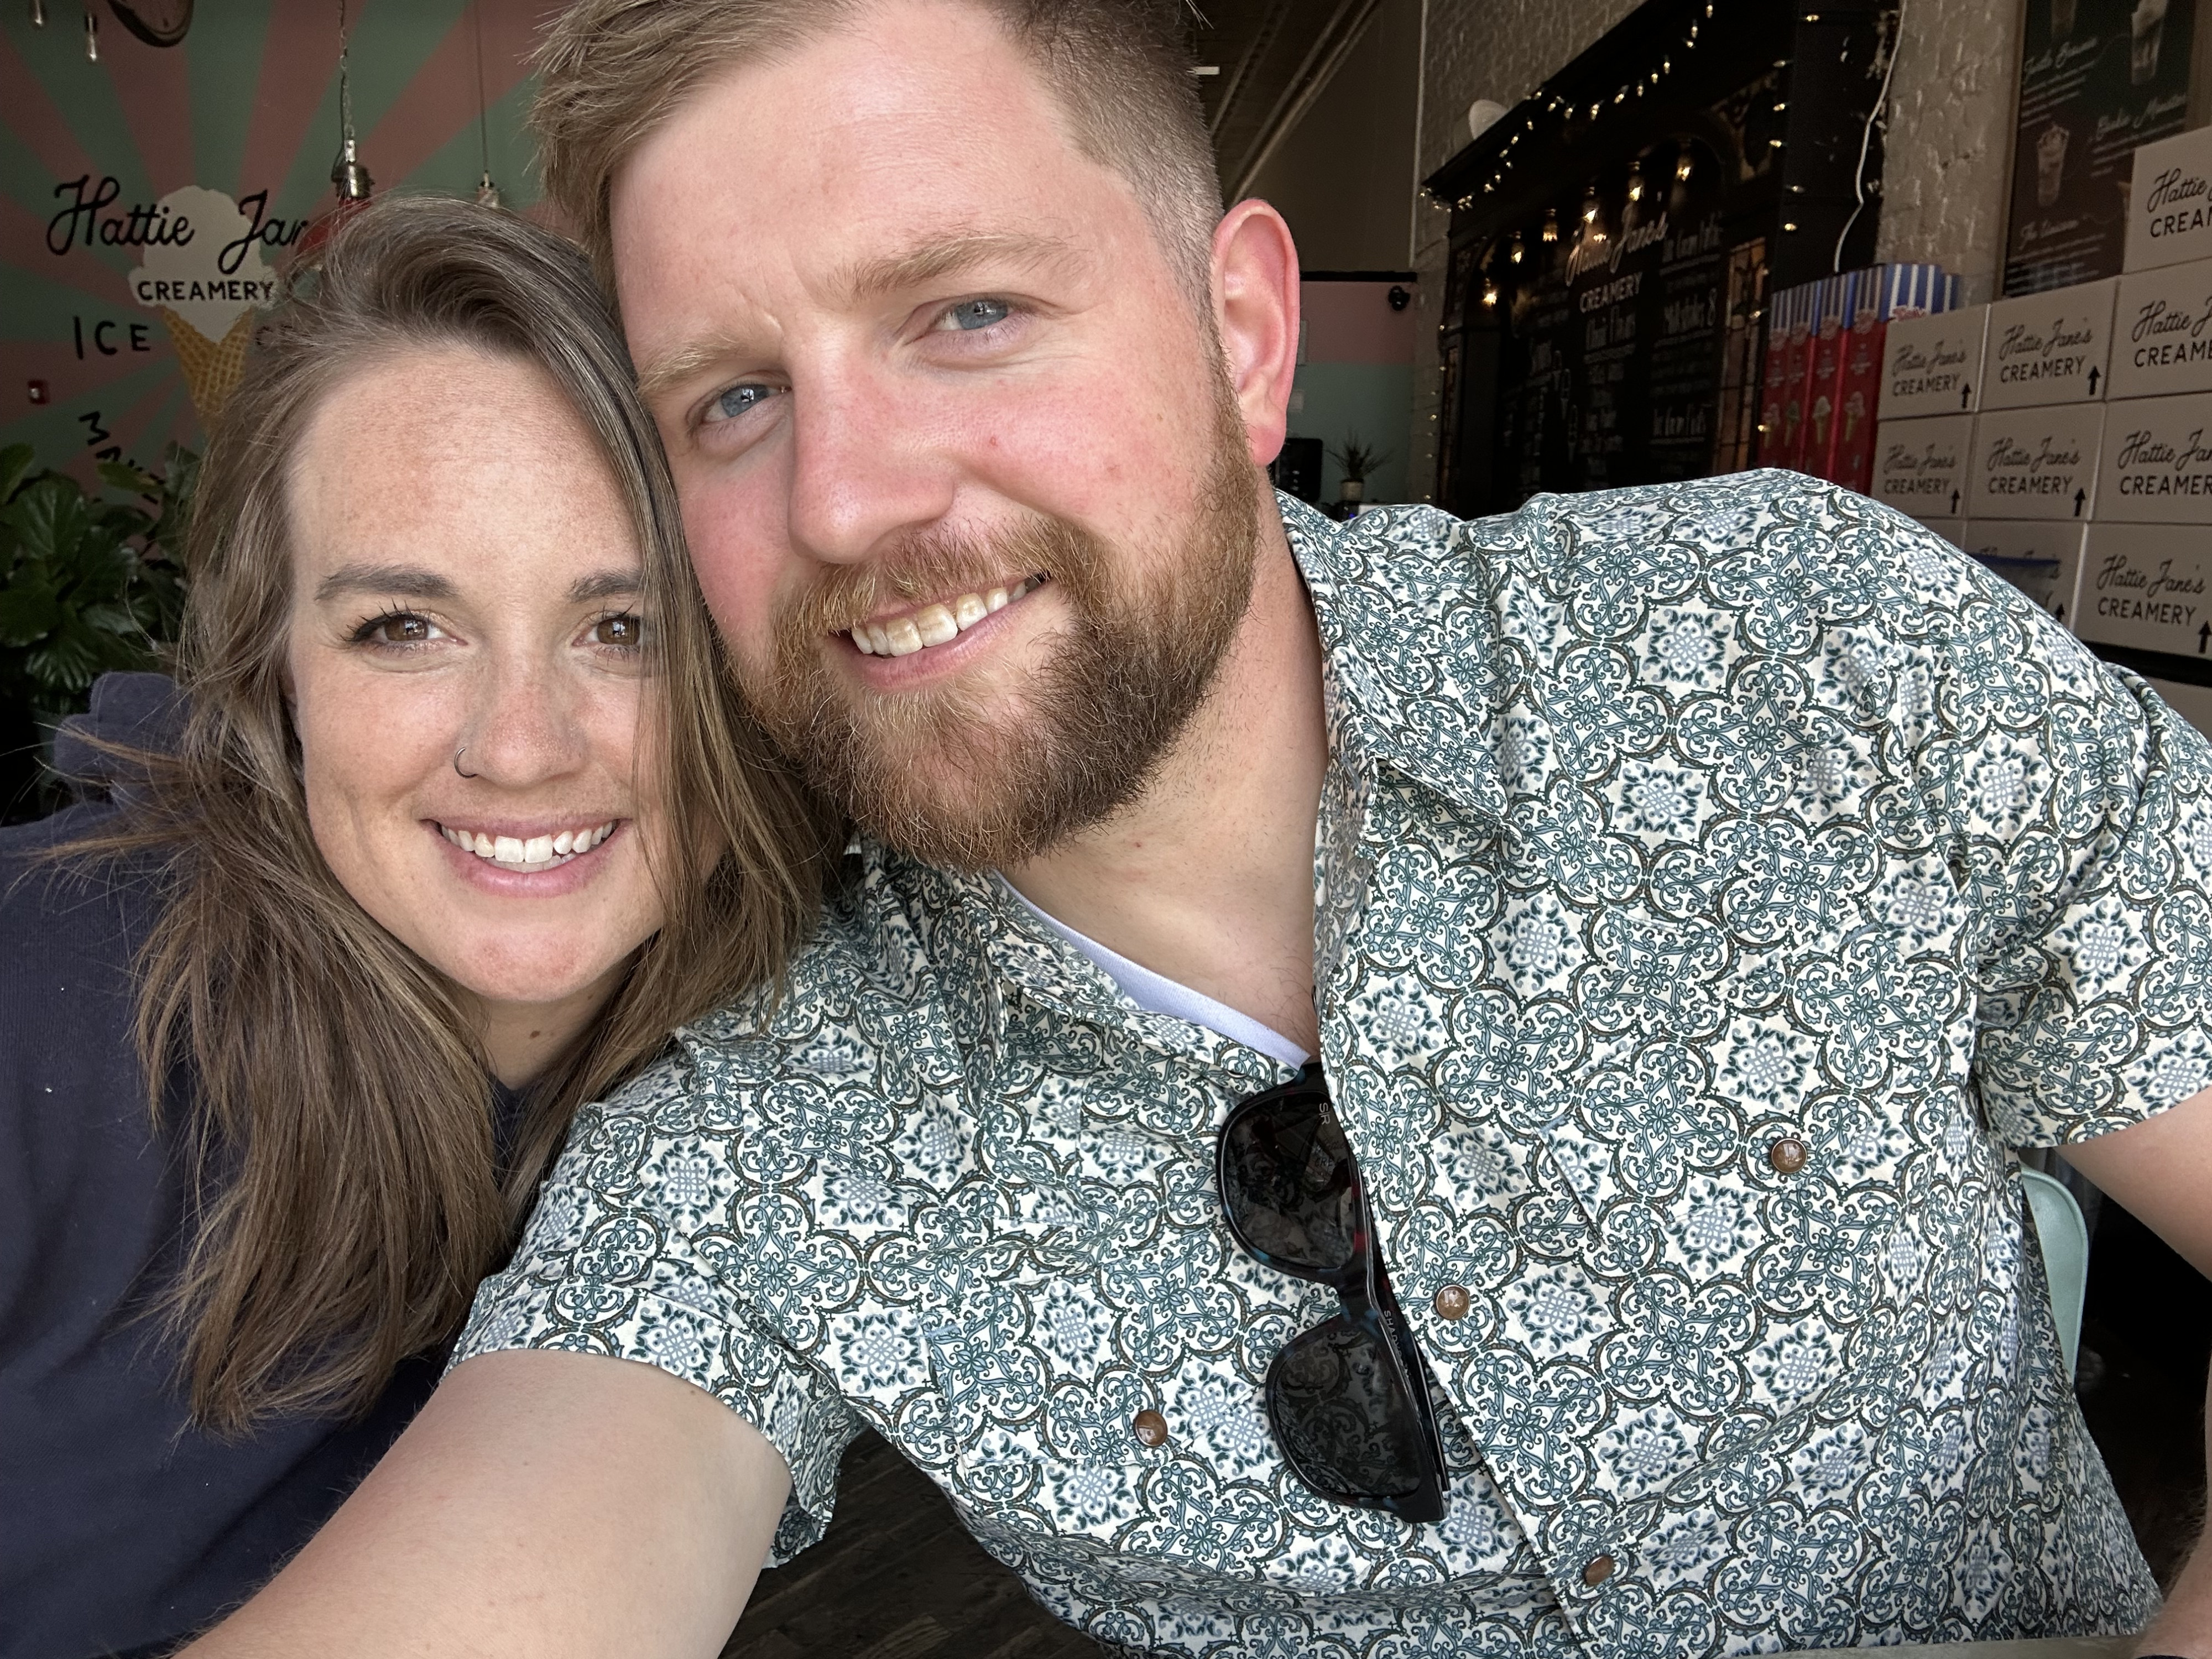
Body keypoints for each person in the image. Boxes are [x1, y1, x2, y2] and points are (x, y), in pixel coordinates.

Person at [186, 2, 2212, 1656]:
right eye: (730, 400)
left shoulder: (1797, 654)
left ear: (1242, 333)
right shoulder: (770, 1108)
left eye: (967, 312)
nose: (844, 501)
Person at [0, 195, 828, 1659]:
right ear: (274, 669)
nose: (520, 747)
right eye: (404, 627)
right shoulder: (38, 992)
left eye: (626, 629)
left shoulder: (813, 1023)